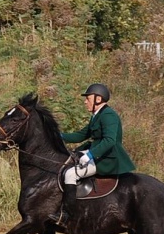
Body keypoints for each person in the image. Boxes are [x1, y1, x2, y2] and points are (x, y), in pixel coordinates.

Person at [52, 83, 135, 225]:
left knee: (71, 174)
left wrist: (90, 155)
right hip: (98, 153)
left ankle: (67, 215)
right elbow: (81, 135)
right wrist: (56, 135)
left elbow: (110, 141)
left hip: (107, 158)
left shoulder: (108, 115)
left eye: (88, 98)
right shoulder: (97, 115)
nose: (85, 101)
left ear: (98, 99)